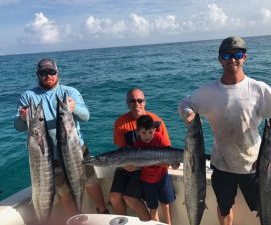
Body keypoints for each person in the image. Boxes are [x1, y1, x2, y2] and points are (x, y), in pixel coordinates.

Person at [178, 36, 271, 225]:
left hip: (255, 165)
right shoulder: (208, 92)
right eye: (226, 55)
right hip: (221, 164)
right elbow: (185, 103)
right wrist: (188, 115)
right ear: (220, 59)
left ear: (244, 57)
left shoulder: (258, 89)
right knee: (224, 207)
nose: (232, 59)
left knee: (265, 207)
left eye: (237, 54)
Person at [14, 58, 109, 220]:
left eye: (51, 72)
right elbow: (19, 127)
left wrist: (74, 108)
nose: (48, 75)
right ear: (38, 75)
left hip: (76, 149)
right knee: (64, 192)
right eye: (43, 73)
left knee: (90, 181)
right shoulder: (28, 96)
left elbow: (85, 116)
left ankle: (103, 210)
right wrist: (23, 118)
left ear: (57, 73)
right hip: (48, 157)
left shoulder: (69, 92)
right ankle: (75, 220)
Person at [110, 88, 171, 221]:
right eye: (132, 101)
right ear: (127, 103)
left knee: (129, 198)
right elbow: (122, 150)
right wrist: (125, 165)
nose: (136, 104)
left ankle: (148, 223)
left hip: (147, 167)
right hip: (127, 164)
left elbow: (166, 149)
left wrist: (141, 167)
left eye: (140, 100)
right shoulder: (120, 123)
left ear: (145, 102)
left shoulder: (156, 121)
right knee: (115, 197)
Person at [133, 115, 178, 224]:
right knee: (153, 207)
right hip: (147, 181)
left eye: (150, 132)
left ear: (154, 130)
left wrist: (173, 164)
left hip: (162, 177)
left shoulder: (158, 137)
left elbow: (168, 154)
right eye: (144, 133)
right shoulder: (136, 145)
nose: (148, 136)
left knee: (166, 204)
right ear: (138, 132)